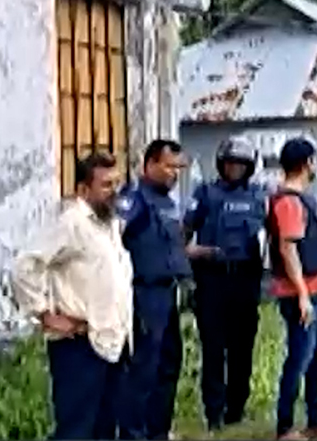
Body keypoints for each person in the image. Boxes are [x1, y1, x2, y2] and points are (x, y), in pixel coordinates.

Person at [11, 152, 131, 440]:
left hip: (111, 341)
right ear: (82, 189)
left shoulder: (109, 224)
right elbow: (25, 266)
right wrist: (44, 314)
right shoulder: (71, 222)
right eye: (105, 185)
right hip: (78, 345)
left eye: (115, 183)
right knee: (76, 430)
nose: (113, 191)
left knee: (105, 428)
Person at [183, 136, 267, 431]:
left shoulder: (259, 196)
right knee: (214, 349)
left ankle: (237, 407)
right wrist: (194, 254)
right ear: (221, 165)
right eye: (230, 164)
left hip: (246, 280)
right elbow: (184, 234)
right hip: (213, 280)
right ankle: (214, 412)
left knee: (242, 348)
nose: (235, 169)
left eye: (241, 165)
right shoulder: (206, 193)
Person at [266, 137, 317, 440]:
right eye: (314, 160)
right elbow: (288, 249)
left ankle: (316, 420)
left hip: (316, 290)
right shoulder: (289, 201)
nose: (316, 166)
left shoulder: (304, 198)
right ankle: (284, 427)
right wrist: (302, 295)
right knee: (299, 358)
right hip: (302, 293)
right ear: (307, 163)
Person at [117, 139, 191, 440]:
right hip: (143, 294)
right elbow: (114, 235)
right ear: (149, 165)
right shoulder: (134, 198)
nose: (174, 173)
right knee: (143, 369)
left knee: (169, 364)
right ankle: (134, 434)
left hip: (168, 292)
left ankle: (158, 431)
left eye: (178, 167)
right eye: (168, 166)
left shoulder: (168, 202)